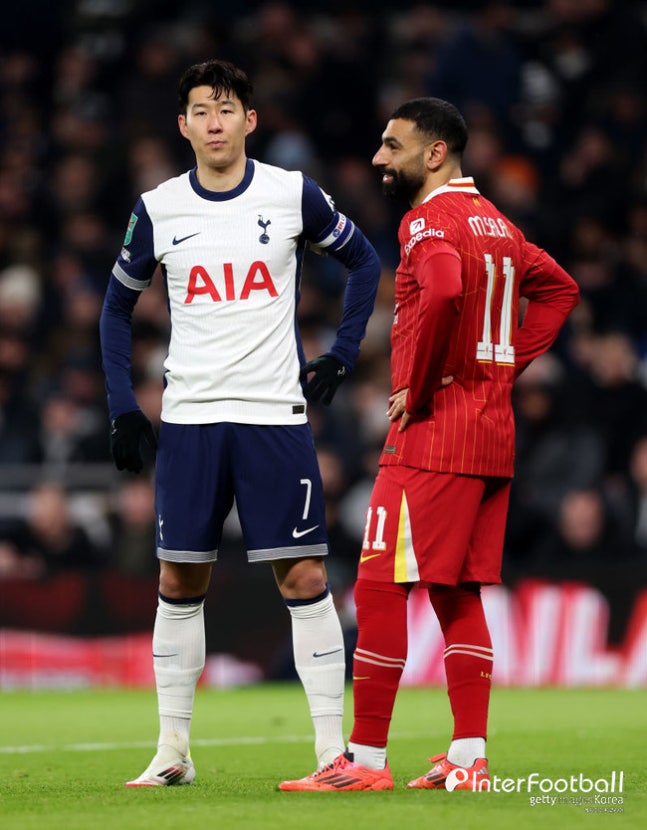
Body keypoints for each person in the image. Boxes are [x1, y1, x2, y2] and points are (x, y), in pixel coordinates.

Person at [279, 97, 579, 792]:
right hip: (490, 435)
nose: (379, 158)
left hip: (433, 435)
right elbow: (559, 291)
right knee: (456, 592)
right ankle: (468, 758)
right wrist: (504, 363)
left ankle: (365, 761)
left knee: (379, 587)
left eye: (393, 145)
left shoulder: (426, 222)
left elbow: (442, 290)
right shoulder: (500, 225)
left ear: (435, 152)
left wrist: (417, 383)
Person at [99, 59, 381, 787]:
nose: (215, 122)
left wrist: (342, 353)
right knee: (178, 579)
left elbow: (364, 260)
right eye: (201, 110)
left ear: (249, 121)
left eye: (226, 108)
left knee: (305, 575)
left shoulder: (291, 193)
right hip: (191, 419)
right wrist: (123, 405)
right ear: (183, 125)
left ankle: (331, 752)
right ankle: (172, 752)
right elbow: (115, 307)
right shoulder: (159, 207)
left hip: (272, 416)